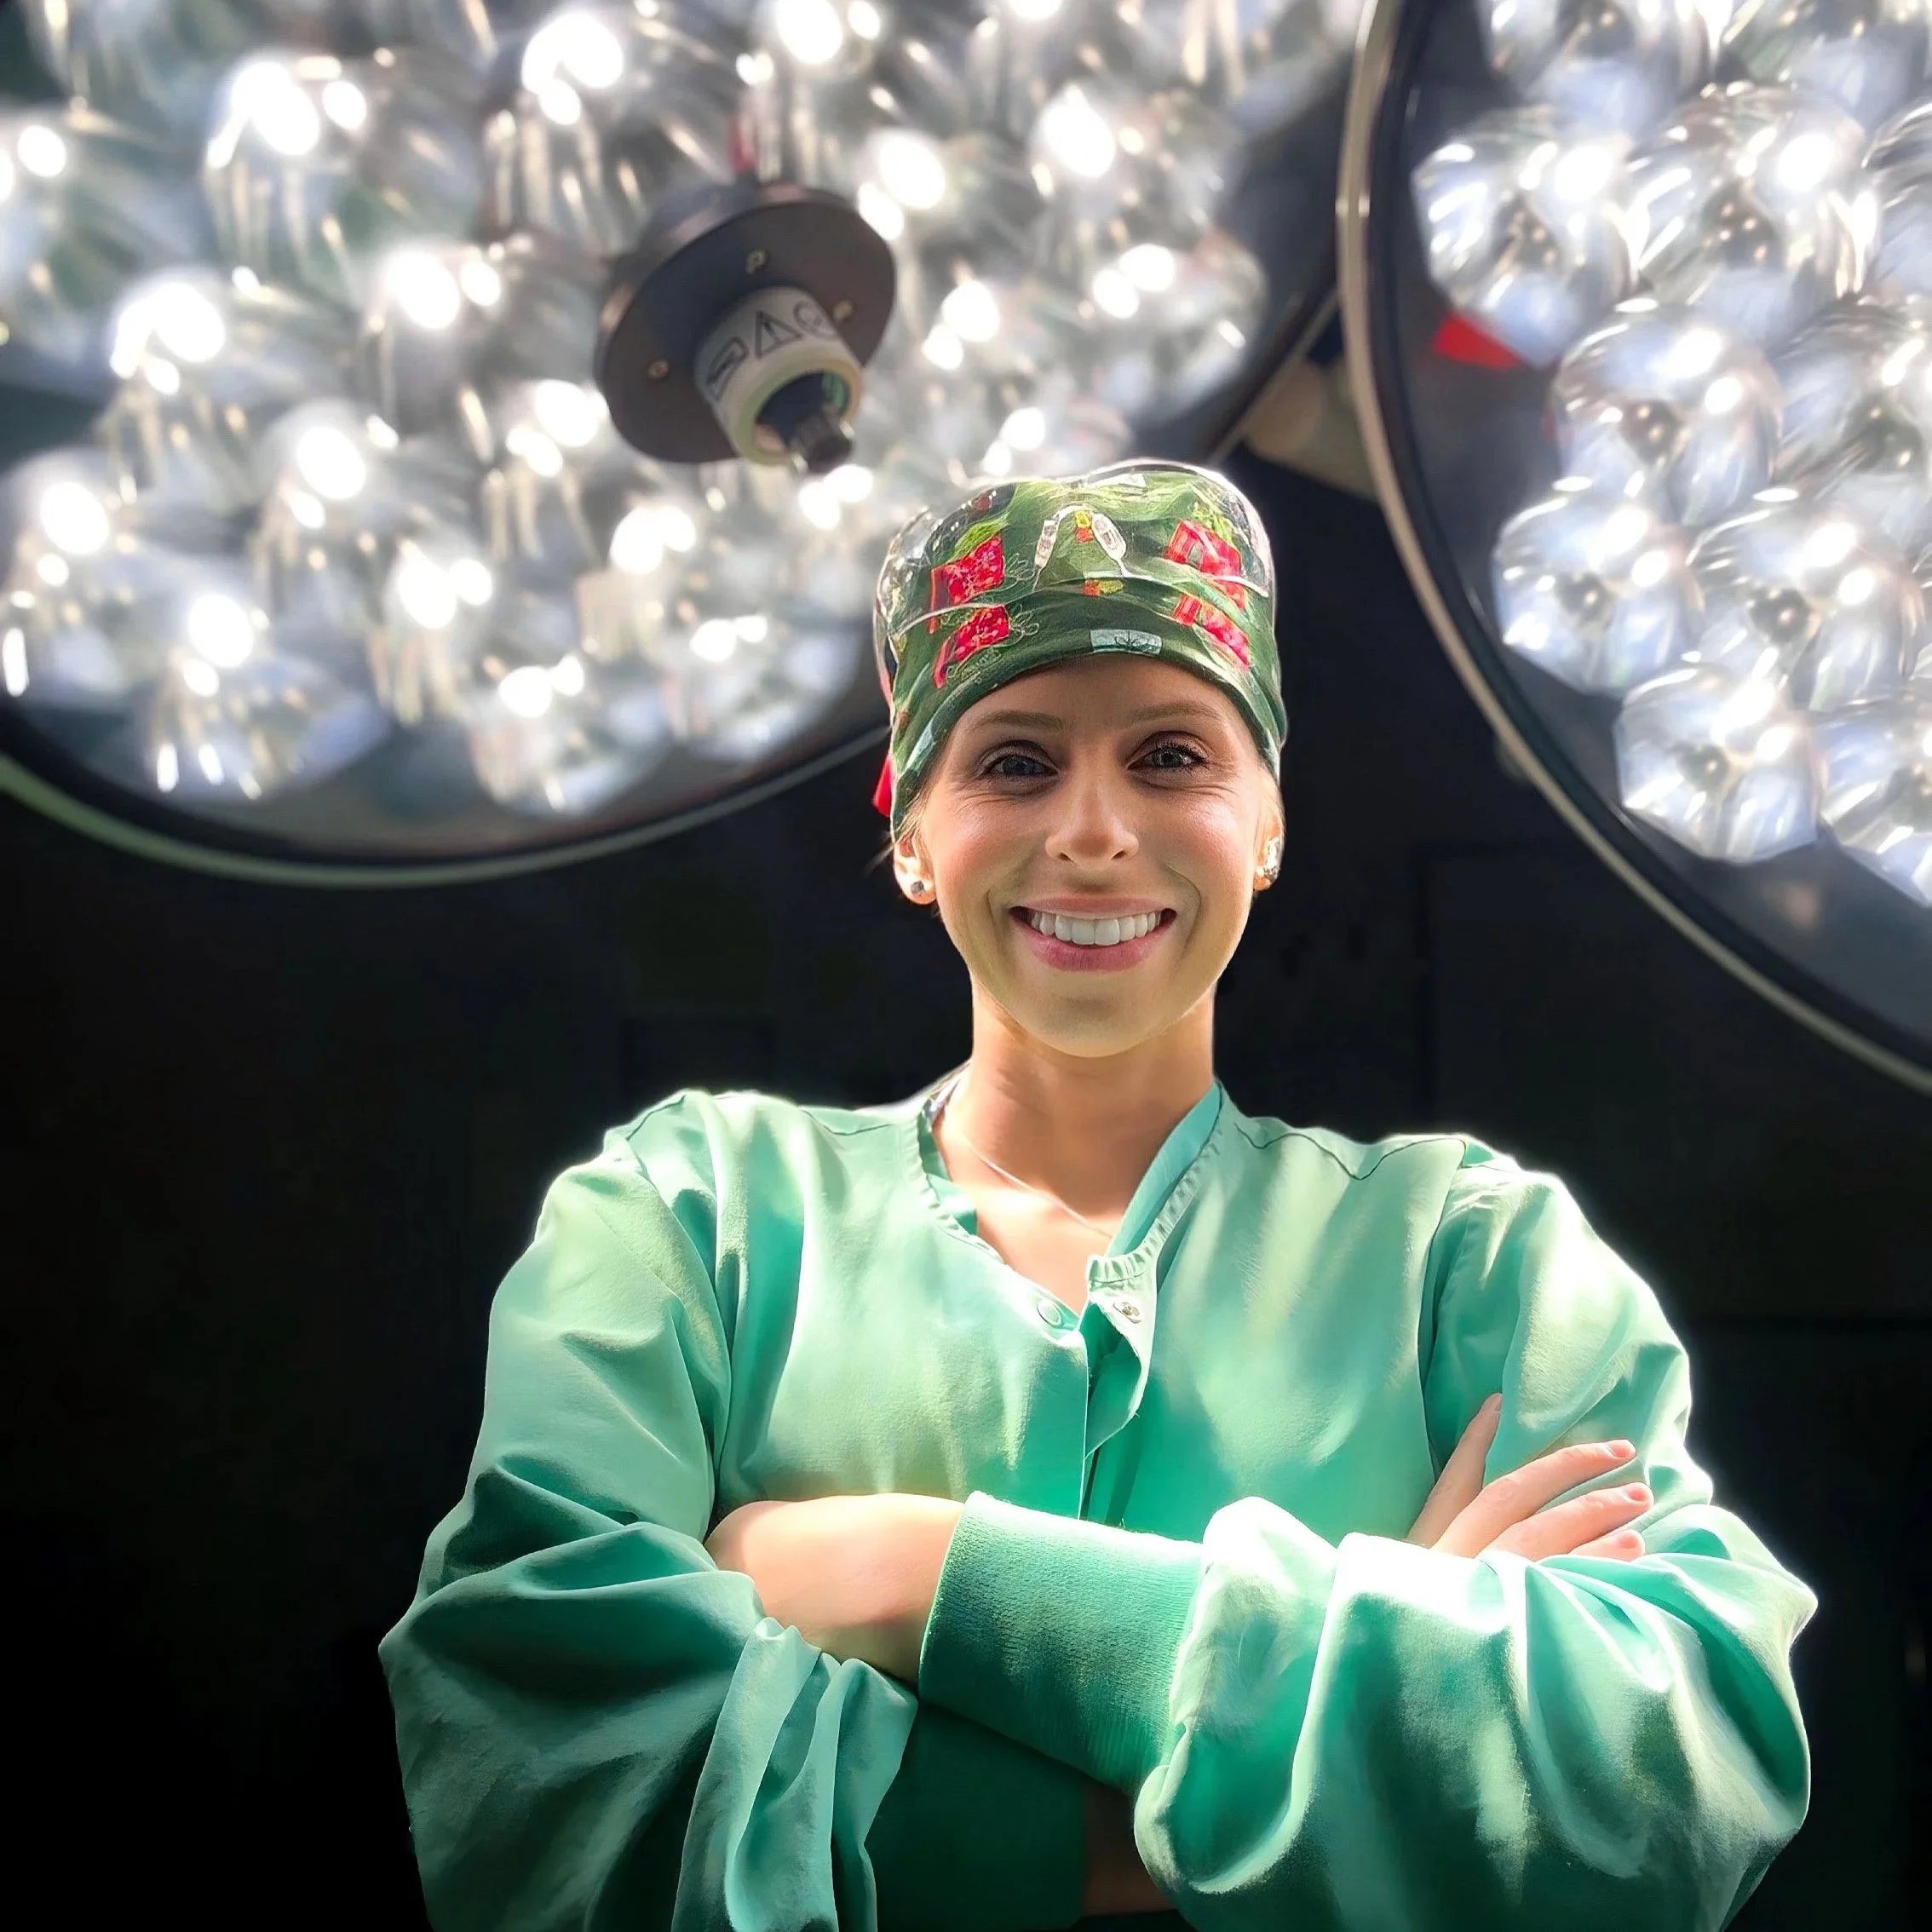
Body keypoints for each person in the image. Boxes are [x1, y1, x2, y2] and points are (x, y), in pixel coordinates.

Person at [380, 460, 1816, 1931]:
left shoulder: (1472, 1261)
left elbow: (1661, 1792)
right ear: (912, 838)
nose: (1093, 831)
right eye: (1013, 762)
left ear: (1267, 822)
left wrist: (915, 1573)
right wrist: (1366, 1719)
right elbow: (541, 1779)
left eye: (1172, 756)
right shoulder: (693, 1221)